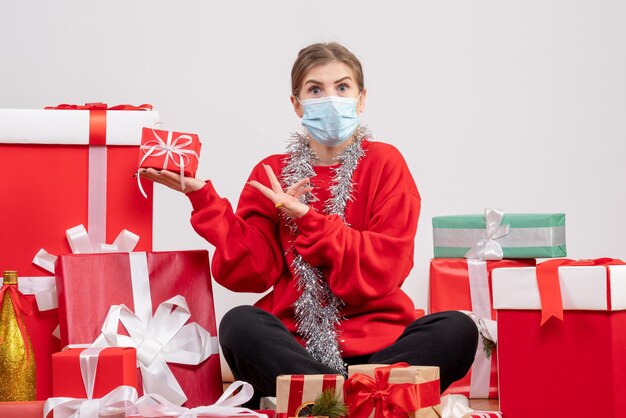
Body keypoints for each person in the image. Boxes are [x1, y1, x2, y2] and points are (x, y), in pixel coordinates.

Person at [140, 42, 478, 405]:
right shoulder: (272, 172)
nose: (330, 98)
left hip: (383, 351)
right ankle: (364, 400)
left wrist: (308, 219)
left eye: (342, 87)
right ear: (297, 103)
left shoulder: (386, 163)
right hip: (295, 351)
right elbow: (251, 271)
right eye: (315, 89)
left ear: (361, 99)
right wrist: (201, 197)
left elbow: (384, 271)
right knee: (239, 323)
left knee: (457, 328)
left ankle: (326, 401)